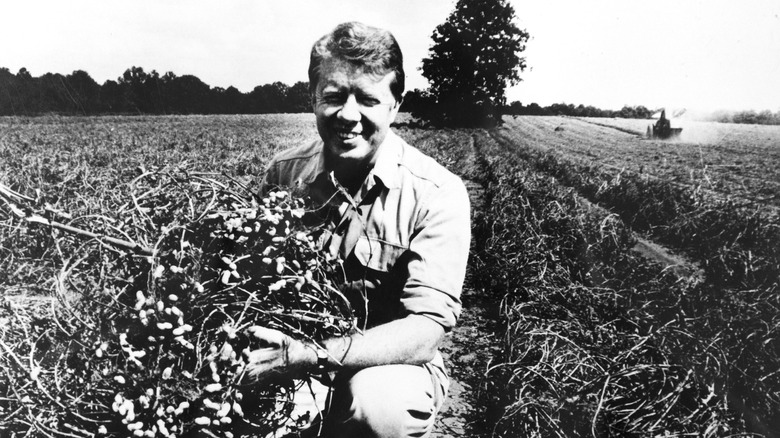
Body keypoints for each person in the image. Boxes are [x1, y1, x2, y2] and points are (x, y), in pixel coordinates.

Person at [245, 21, 471, 438]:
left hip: (391, 365)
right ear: (313, 98)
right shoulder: (283, 174)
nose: (348, 115)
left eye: (367, 99)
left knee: (377, 405)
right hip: (290, 354)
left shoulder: (438, 193)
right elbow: (249, 285)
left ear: (395, 104)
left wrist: (311, 355)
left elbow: (424, 330)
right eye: (333, 97)